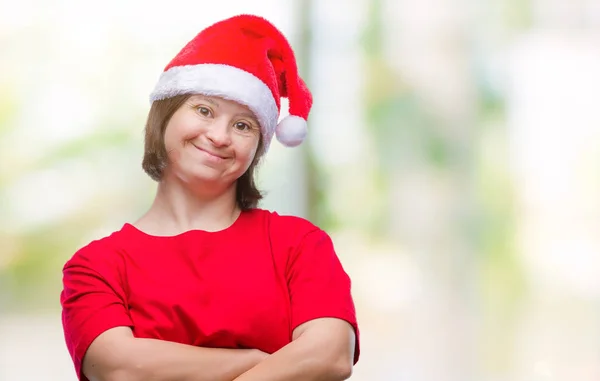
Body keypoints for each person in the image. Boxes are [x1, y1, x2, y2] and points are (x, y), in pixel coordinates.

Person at [60, 13, 360, 381]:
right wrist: (259, 360)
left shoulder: (298, 244)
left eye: (242, 125)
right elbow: (119, 367)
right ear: (164, 117)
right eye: (204, 110)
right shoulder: (95, 266)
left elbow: (330, 355)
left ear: (257, 149)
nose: (220, 136)